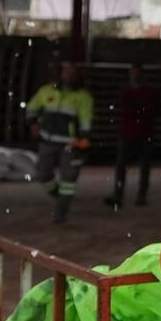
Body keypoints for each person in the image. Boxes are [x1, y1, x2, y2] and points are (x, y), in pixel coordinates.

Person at [26, 60, 94, 224]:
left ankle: (61, 212)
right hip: (47, 140)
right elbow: (31, 108)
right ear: (61, 74)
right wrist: (32, 123)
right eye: (66, 72)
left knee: (69, 179)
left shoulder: (83, 97)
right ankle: (61, 197)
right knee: (43, 176)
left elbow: (86, 120)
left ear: (77, 76)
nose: (68, 76)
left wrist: (84, 138)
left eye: (72, 73)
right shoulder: (46, 91)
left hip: (70, 144)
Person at [106, 64, 159, 209]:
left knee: (143, 166)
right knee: (123, 165)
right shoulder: (127, 92)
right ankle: (119, 194)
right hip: (130, 132)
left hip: (142, 132)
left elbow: (150, 109)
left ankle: (139, 195)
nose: (134, 76)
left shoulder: (148, 92)